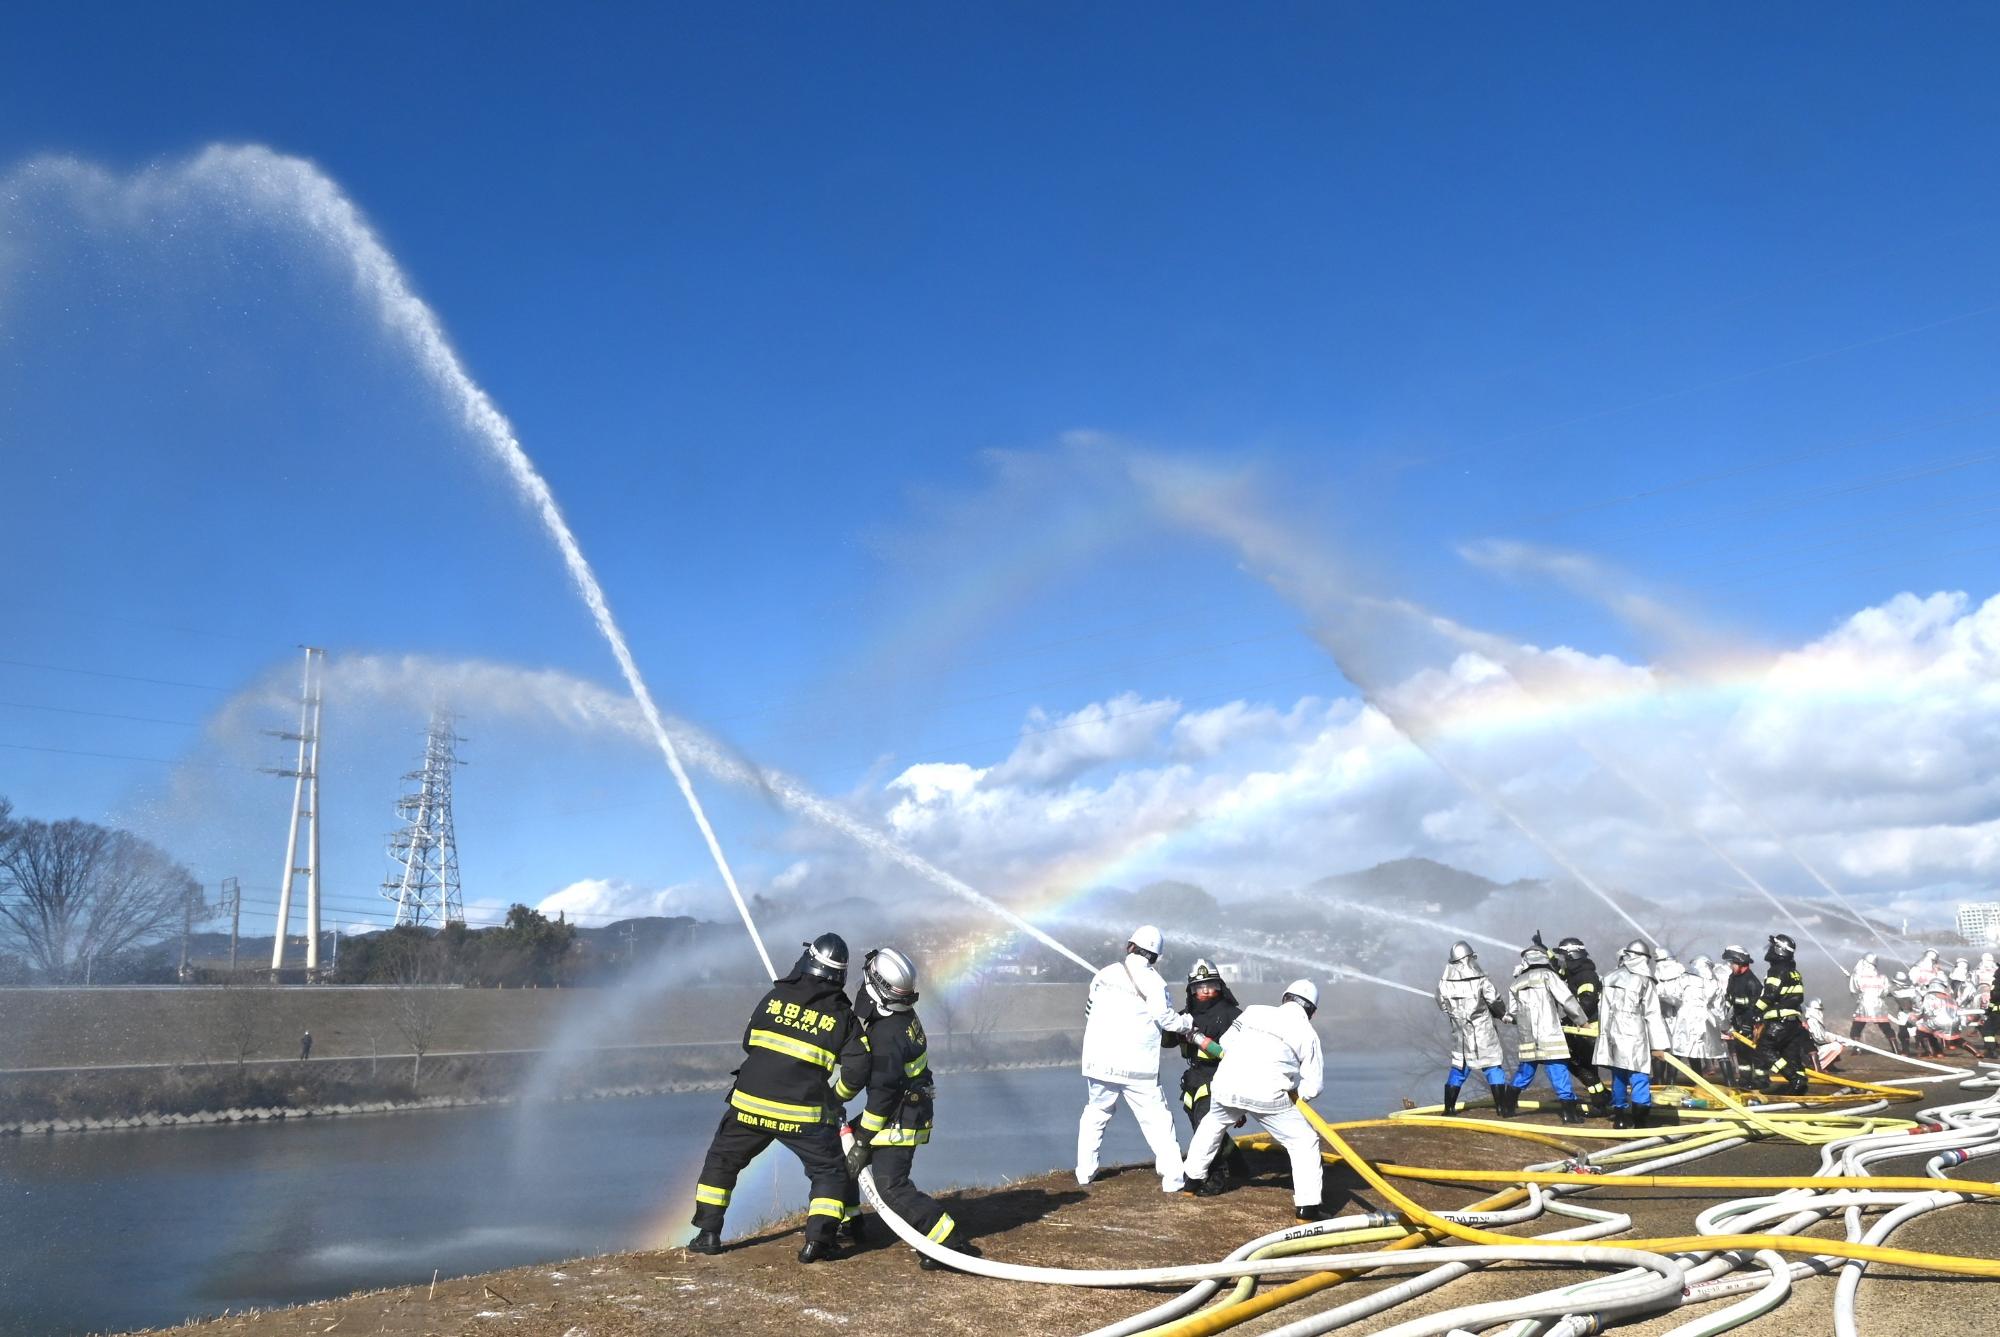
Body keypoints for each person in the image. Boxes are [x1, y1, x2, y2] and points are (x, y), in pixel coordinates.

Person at [689, 934, 870, 1264]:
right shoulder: (842, 1016)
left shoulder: (775, 997)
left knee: (722, 1161)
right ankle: (819, 1241)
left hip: (748, 1106)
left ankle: (708, 1234)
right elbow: (859, 1069)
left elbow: (749, 1042)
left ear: (807, 960)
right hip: (802, 1115)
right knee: (828, 1173)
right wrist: (835, 1097)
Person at [839, 947, 982, 1271]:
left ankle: (948, 1241)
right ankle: (850, 1221)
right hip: (903, 1108)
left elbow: (882, 1094)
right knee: (841, 1159)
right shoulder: (899, 1018)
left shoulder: (886, 1034)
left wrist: (862, 1140)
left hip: (900, 1116)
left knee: (892, 1186)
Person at [1184, 980, 1330, 1221]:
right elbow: (1314, 1086)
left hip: (1226, 1085)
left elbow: (1227, 1044)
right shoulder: (1308, 1034)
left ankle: (1192, 1182)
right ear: (1312, 1012)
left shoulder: (1254, 1011)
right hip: (1269, 1094)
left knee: (1213, 1123)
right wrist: (1295, 1092)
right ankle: (1308, 1208)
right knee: (1304, 1142)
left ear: (1284, 998)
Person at [1077, 925, 1194, 1193]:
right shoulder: (1154, 982)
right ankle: (1173, 1179)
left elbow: (1088, 1013)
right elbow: (1164, 1018)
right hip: (1137, 1066)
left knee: (1096, 1113)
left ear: (1130, 946)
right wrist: (1187, 1023)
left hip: (1099, 1062)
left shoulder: (1104, 974)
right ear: (1155, 956)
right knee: (1157, 1121)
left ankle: (1085, 1173)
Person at [1170, 959, 1247, 1184]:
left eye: (1210, 985)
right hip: (1193, 1078)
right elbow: (1167, 1041)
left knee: (1206, 1130)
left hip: (1220, 1078)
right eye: (1199, 987)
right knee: (1203, 1126)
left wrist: (1198, 1039)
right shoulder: (1185, 1014)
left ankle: (1214, 1179)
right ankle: (1239, 1165)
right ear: (1191, 990)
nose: (1205, 991)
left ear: (1219, 986)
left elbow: (1238, 1057)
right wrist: (1172, 1025)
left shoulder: (1233, 1015)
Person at [1503, 938, 1586, 1124]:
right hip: (1550, 1034)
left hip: (1528, 1037)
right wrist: (1582, 1021)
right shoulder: (1549, 976)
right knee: (1558, 1070)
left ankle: (1507, 1107)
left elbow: (1513, 1013)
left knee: (1525, 1072)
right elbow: (1567, 1000)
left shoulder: (1516, 982)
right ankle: (1569, 1114)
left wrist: (1513, 1019)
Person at [1593, 939, 1670, 1127]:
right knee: (1639, 1074)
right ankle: (1640, 1122)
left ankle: (1619, 1119)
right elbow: (1652, 1013)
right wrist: (1659, 1046)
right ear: (1643, 958)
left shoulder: (1610, 977)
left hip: (1612, 1032)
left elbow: (1603, 1010)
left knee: (1618, 1075)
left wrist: (1603, 1038)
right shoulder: (1645, 980)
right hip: (1635, 1033)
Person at [1436, 942, 1509, 1116]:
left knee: (1459, 1068)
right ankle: (1502, 1108)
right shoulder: (1481, 980)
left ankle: (1449, 1109)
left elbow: (1442, 1004)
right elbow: (1495, 1001)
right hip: (1483, 1031)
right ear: (1469, 959)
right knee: (1492, 1066)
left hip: (1460, 1033)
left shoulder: (1444, 983)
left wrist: (1456, 1017)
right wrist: (1503, 1015)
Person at [1554, 937, 1610, 1115]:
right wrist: (1545, 952)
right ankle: (1600, 1099)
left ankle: (1601, 1099)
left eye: (1563, 956)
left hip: (1589, 1027)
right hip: (1581, 1025)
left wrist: (1573, 1019)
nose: (1562, 960)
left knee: (1580, 1064)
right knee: (1584, 1065)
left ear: (1572, 955)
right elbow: (1558, 972)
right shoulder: (1576, 972)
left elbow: (1587, 1002)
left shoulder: (1585, 975)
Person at [1754, 934, 1811, 1095]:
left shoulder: (1776, 971)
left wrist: (1754, 1012)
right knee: (1791, 1056)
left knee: (1764, 1050)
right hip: (1793, 1022)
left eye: (1772, 947)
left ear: (1779, 950)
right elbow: (1798, 997)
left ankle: (1794, 1079)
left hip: (1779, 1021)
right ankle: (1800, 1084)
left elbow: (1770, 995)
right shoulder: (1794, 972)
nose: (1769, 950)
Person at [1665, 954, 1726, 1078]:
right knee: (1720, 1053)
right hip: (1707, 1019)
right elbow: (1720, 1008)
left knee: (1678, 1051)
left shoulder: (1684, 979)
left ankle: (1669, 1083)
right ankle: (1730, 1083)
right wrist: (1726, 1026)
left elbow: (1673, 996)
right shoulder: (1714, 983)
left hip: (1685, 1018)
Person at [1720, 945, 1763, 1087]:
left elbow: (1756, 1006)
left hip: (1752, 1023)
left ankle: (1761, 1081)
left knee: (1755, 1053)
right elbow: (1729, 998)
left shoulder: (1752, 982)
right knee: (1742, 1053)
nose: (1730, 966)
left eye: (1732, 963)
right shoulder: (1733, 978)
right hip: (1739, 1021)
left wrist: (1748, 1024)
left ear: (1739, 961)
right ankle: (1745, 1080)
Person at [1848, 954, 1901, 1052]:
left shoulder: (1857, 976)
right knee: (1886, 1028)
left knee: (1856, 1028)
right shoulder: (1882, 977)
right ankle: (1896, 1049)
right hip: (1878, 1005)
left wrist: (1851, 979)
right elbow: (1886, 992)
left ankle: (1857, 1049)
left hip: (1864, 1005)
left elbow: (1854, 990)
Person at [1649, 951, 1687, 1084]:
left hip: (1677, 1017)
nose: (1658, 965)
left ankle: (1671, 1080)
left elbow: (1681, 999)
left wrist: (1664, 998)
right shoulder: (1657, 976)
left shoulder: (1681, 976)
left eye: (1660, 962)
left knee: (1675, 1050)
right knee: (1659, 1047)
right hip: (1660, 1017)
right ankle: (1659, 1078)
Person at [1803, 998, 1846, 1072]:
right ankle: (1820, 1066)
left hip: (1815, 1048)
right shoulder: (1812, 1021)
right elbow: (1819, 1038)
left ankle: (1829, 1066)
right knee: (1837, 1046)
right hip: (1811, 1050)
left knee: (1835, 1043)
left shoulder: (1815, 1021)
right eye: (1819, 1010)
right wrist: (1834, 1038)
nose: (1820, 1012)